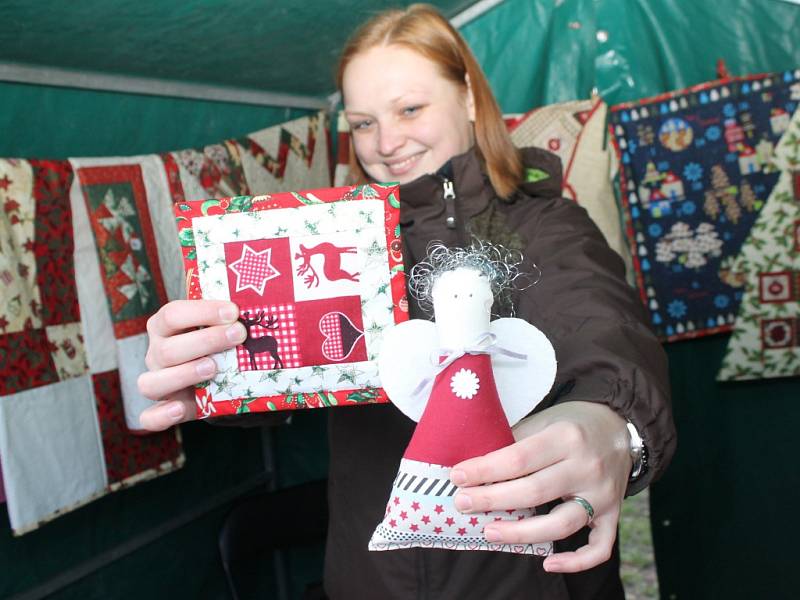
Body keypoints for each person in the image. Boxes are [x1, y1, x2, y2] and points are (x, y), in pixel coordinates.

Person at [138, 4, 676, 598]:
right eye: (364, 123)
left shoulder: (547, 223)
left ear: (468, 97)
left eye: (410, 109)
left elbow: (600, 324)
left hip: (524, 579)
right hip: (370, 576)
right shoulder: (336, 244)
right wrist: (212, 371)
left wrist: (611, 422)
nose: (386, 142)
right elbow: (283, 362)